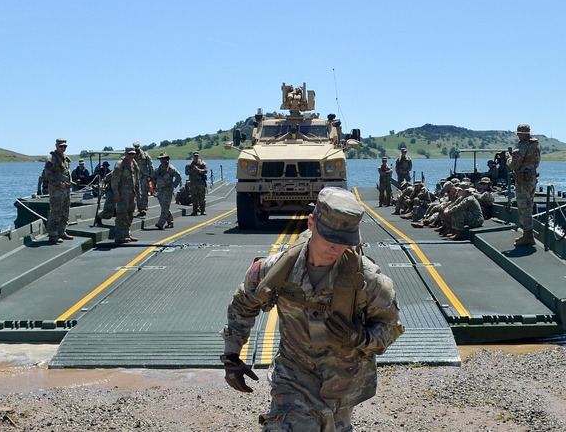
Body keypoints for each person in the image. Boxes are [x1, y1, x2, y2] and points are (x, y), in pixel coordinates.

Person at [220, 187, 404, 431]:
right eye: (330, 239)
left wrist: (362, 338)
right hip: (292, 379)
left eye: (344, 242)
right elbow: (243, 303)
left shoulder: (367, 281)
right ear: (311, 223)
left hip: (342, 385)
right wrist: (232, 354)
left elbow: (390, 326)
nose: (336, 249)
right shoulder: (276, 270)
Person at [507, 124, 541, 246]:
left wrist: (508, 158)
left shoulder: (522, 146)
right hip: (531, 179)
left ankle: (528, 236)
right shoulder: (535, 144)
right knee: (529, 206)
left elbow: (514, 165)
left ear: (521, 134)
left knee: (523, 207)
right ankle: (527, 234)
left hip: (523, 181)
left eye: (518, 133)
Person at [44, 138, 73, 244]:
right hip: (56, 191)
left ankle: (62, 231)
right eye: (61, 146)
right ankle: (53, 234)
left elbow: (66, 172)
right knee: (56, 212)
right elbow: (48, 174)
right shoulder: (51, 158)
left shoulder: (65, 158)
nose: (63, 148)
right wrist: (58, 183)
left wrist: (69, 182)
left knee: (65, 212)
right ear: (56, 146)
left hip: (66, 190)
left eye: (65, 146)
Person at [112, 147, 141, 243]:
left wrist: (138, 192)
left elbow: (137, 180)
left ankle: (127, 233)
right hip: (122, 193)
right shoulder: (120, 165)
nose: (131, 156)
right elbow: (114, 181)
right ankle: (119, 236)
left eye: (133, 154)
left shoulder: (134, 164)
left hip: (131, 193)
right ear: (125, 154)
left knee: (130, 214)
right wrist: (116, 194)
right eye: (129, 154)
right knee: (121, 214)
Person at [152, 152, 182, 230]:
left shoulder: (171, 169)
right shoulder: (159, 169)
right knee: (164, 207)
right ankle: (170, 222)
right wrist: (154, 186)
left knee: (165, 206)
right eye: (160, 159)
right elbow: (154, 177)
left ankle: (160, 223)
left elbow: (178, 177)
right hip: (160, 190)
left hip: (168, 190)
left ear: (167, 159)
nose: (162, 161)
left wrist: (173, 186)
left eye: (163, 159)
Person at [132, 141, 155, 217]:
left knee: (144, 192)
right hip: (135, 176)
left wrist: (151, 176)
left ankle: (144, 208)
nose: (136, 151)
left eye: (137, 149)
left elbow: (151, 165)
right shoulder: (132, 155)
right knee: (137, 193)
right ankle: (139, 208)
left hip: (144, 176)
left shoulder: (145, 155)